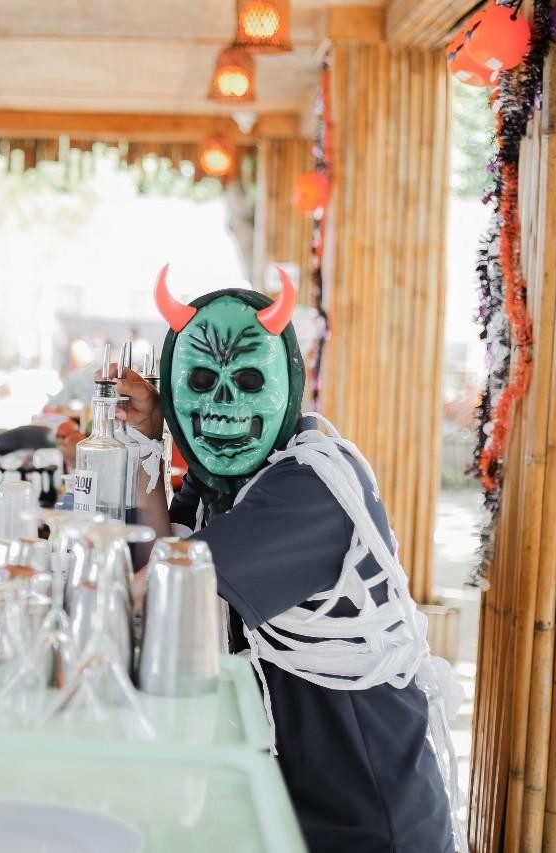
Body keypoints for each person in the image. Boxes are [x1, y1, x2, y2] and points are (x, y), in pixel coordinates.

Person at [127, 266, 458, 852]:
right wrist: (146, 438)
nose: (222, 402)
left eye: (248, 378)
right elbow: (162, 553)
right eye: (200, 379)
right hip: (296, 808)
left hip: (369, 818)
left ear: (288, 384)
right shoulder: (225, 481)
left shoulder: (313, 484)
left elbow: (161, 588)